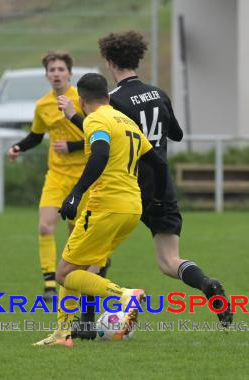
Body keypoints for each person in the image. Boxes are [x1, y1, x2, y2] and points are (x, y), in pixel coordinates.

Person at [58, 31, 234, 329]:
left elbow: (104, 138)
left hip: (126, 186)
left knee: (93, 257)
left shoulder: (111, 102)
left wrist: (73, 116)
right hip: (161, 185)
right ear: (137, 59)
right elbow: (175, 134)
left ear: (110, 62)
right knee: (169, 261)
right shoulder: (158, 93)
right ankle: (207, 284)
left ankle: (86, 324)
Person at [34, 72, 169, 347]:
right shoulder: (125, 121)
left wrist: (76, 192)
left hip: (105, 205)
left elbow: (100, 152)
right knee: (82, 268)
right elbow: (159, 163)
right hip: (131, 208)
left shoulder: (96, 119)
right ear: (108, 96)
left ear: (81, 100)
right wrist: (156, 199)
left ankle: (124, 295)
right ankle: (63, 334)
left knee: (63, 274)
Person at [8, 51, 102, 301]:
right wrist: (18, 147)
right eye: (52, 70)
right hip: (56, 176)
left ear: (70, 73)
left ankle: (76, 281)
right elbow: (37, 136)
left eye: (61, 69)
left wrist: (71, 147)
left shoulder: (82, 100)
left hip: (83, 176)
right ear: (46, 75)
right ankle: (49, 283)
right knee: (45, 226)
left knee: (75, 232)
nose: (56, 74)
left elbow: (99, 134)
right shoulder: (42, 105)